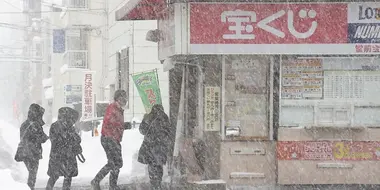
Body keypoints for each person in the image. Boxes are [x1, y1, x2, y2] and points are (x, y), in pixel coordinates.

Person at [91, 90, 132, 190]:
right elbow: (110, 121)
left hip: (113, 138)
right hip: (109, 138)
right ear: (118, 98)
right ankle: (107, 184)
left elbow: (115, 123)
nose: (125, 100)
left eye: (125, 97)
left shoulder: (118, 109)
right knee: (115, 163)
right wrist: (123, 125)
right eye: (123, 98)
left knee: (115, 163)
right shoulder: (112, 107)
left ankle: (104, 183)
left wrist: (123, 126)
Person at [138, 104, 175, 190]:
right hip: (161, 147)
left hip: (150, 146)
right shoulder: (165, 118)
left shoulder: (149, 117)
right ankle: (158, 183)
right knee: (159, 165)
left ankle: (154, 184)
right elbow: (169, 132)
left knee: (152, 166)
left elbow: (142, 130)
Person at [46, 107, 82, 190]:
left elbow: (76, 139)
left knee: (55, 176)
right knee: (65, 177)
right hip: (63, 156)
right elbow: (74, 139)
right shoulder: (62, 126)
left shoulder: (60, 126)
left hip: (58, 156)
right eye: (73, 119)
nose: (73, 122)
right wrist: (69, 143)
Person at [14, 104, 48, 190]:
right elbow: (41, 138)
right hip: (33, 152)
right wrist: (46, 137)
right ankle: (30, 188)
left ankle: (29, 187)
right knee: (33, 174)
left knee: (31, 172)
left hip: (24, 152)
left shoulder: (24, 124)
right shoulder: (36, 125)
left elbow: (23, 137)